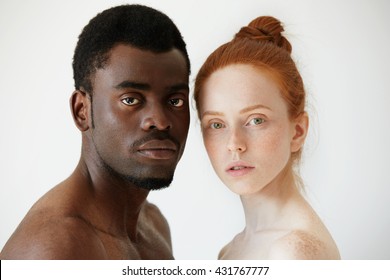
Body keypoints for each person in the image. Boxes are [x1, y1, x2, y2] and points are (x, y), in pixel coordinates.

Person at [0, 4, 190, 259]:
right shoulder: (53, 248)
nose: (160, 121)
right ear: (82, 111)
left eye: (175, 100)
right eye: (131, 100)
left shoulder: (154, 224)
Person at [194, 16, 340, 259]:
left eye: (256, 120)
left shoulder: (293, 253)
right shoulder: (231, 251)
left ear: (298, 131)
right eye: (217, 124)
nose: (234, 144)